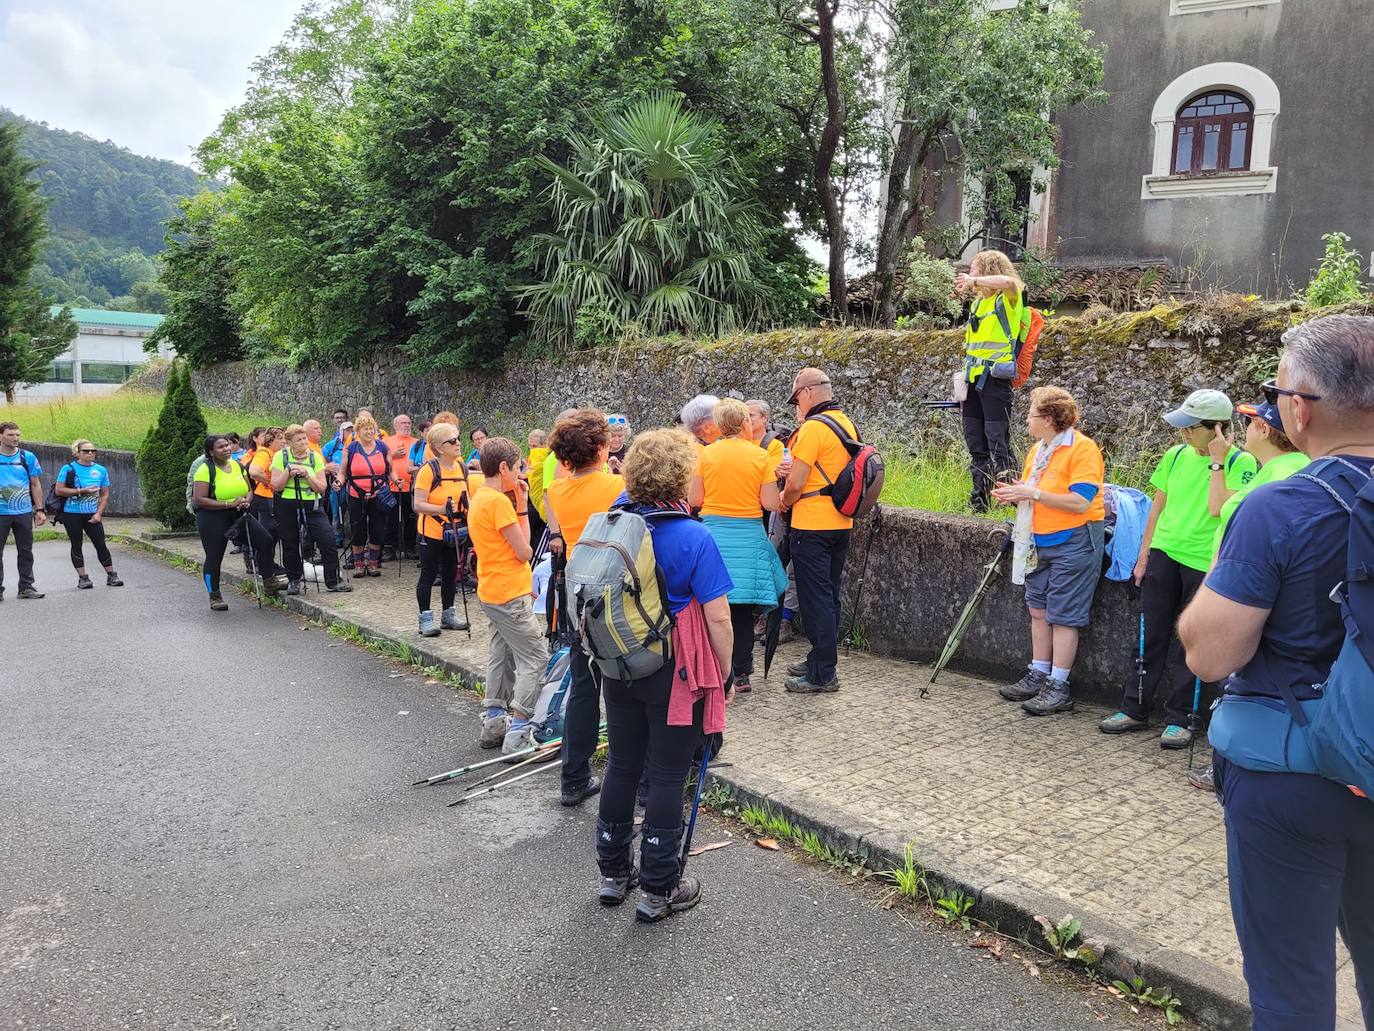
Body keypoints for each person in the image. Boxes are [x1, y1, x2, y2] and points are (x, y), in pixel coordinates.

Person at [1178, 315, 1374, 1031]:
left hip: (1291, 776)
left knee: (1292, 995)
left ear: (1301, 407)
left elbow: (1211, 654)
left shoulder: (1277, 505)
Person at [593, 428, 735, 922]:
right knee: (669, 775)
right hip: (675, 671)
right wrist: (726, 672)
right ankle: (658, 889)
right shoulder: (693, 536)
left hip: (617, 664)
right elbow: (718, 618)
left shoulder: (613, 525)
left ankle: (613, 875)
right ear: (681, 476)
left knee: (622, 767)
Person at [1099, 389, 1257, 747]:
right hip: (1164, 553)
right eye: (1181, 426)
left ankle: (1183, 718)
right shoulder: (1174, 455)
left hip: (1204, 562)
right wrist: (1144, 554)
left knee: (1194, 642)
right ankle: (1134, 707)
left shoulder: (1240, 463)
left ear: (1216, 428)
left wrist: (1217, 461)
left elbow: (1220, 510)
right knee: (1149, 635)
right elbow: (1157, 507)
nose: (1183, 433)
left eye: (1191, 427)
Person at [991, 388, 1105, 715]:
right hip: (1038, 539)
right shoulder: (1037, 451)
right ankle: (1038, 671)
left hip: (1075, 539)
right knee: (1038, 608)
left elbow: (1080, 501)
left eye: (1031, 414)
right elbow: (1035, 492)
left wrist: (1033, 493)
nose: (1026, 419)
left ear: (1049, 419)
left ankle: (1059, 685)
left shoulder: (1082, 450)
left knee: (1064, 615)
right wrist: (1017, 494)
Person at [546, 408, 626, 806]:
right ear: (599, 446)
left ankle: (573, 777)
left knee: (583, 686)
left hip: (578, 592)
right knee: (623, 685)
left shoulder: (558, 491)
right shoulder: (617, 486)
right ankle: (633, 775)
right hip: (614, 591)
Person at [689, 398, 785, 693]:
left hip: (714, 536)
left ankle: (715, 669)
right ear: (745, 423)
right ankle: (742, 674)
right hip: (748, 536)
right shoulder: (759, 457)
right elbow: (771, 503)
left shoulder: (706, 455)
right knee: (742, 610)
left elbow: (695, 500)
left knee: (713, 605)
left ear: (718, 425)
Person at [467, 436, 549, 755]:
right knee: (535, 656)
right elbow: (524, 550)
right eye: (517, 468)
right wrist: (522, 506)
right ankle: (519, 729)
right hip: (509, 592)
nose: (519, 475)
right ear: (503, 467)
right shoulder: (500, 502)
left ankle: (493, 721)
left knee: (501, 653)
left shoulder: (480, 496)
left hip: (491, 589)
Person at [779, 368, 857, 693]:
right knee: (830, 596)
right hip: (841, 522)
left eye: (796, 398)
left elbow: (797, 482)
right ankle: (820, 658)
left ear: (808, 393)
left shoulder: (812, 428)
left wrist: (783, 500)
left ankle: (823, 673)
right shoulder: (845, 422)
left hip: (811, 525)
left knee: (816, 600)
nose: (796, 405)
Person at [954, 250, 1024, 512]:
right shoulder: (978, 304)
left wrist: (973, 282)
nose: (970, 274)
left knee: (999, 442)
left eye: (973, 269)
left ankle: (1012, 501)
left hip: (995, 383)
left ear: (986, 270)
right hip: (973, 383)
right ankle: (979, 501)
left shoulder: (1009, 299)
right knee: (976, 444)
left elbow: (1009, 283)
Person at [192, 435, 275, 610]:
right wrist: (229, 504)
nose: (227, 449)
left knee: (266, 541)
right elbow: (199, 500)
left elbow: (249, 490)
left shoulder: (238, 466)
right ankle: (214, 596)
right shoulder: (205, 470)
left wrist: (246, 500)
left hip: (239, 513)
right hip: (212, 516)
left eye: (227, 445)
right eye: (221, 447)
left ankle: (269, 581)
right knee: (214, 556)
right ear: (211, 452)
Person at [270, 424, 351, 595]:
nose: (303, 442)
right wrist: (288, 472)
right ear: (290, 442)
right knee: (290, 543)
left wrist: (307, 475)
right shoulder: (280, 456)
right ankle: (294, 580)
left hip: (312, 504)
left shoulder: (315, 457)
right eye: (299, 439)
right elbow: (276, 485)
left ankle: (333, 580)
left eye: (304, 438)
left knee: (327, 540)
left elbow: (321, 487)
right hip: (286, 505)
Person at [411, 423, 471, 638]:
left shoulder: (462, 468)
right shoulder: (428, 471)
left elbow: (468, 498)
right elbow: (417, 504)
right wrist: (441, 509)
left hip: (455, 531)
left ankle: (448, 615)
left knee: (450, 574)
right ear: (438, 447)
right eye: (452, 441)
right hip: (432, 531)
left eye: (458, 438)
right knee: (428, 575)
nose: (458, 443)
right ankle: (425, 619)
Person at [53, 439, 123, 590]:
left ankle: (111, 575)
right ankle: (83, 578)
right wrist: (82, 491)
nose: (90, 453)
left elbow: (105, 495)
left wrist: (99, 513)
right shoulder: (68, 469)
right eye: (86, 451)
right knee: (76, 545)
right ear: (77, 453)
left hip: (92, 513)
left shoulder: (101, 470)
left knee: (100, 544)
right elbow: (59, 490)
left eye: (93, 450)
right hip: (72, 513)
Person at [340, 414, 392, 577]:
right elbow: (343, 472)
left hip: (379, 493)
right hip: (356, 494)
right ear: (358, 431)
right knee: (358, 529)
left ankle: (373, 563)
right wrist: (338, 482)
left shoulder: (383, 447)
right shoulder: (351, 448)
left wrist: (397, 480)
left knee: (377, 529)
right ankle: (358, 563)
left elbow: (391, 469)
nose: (369, 432)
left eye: (371, 429)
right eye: (365, 429)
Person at [0, 421, 47, 600]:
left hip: (23, 512)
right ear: (1, 436)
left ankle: (26, 587)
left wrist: (40, 510)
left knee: (26, 550)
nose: (15, 438)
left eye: (18, 435)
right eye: (11, 435)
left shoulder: (27, 457)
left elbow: (35, 484)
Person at [247, 426, 285, 575]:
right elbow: (254, 471)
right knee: (267, 533)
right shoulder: (264, 453)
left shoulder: (274, 454)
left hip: (270, 498)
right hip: (264, 498)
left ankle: (268, 564)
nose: (283, 441)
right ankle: (264, 566)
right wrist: (269, 483)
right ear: (271, 440)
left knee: (273, 533)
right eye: (280, 438)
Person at [387, 414, 419, 560]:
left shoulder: (417, 443)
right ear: (395, 426)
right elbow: (379, 461)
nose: (407, 425)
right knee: (391, 519)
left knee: (411, 519)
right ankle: (390, 548)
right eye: (403, 423)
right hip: (392, 487)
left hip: (412, 487)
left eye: (408, 423)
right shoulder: (386, 442)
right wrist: (392, 456)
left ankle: (410, 548)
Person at [526, 428, 550, 550]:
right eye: (530, 446)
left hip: (542, 505)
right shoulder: (532, 457)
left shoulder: (546, 457)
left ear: (545, 444)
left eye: (535, 446)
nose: (532, 450)